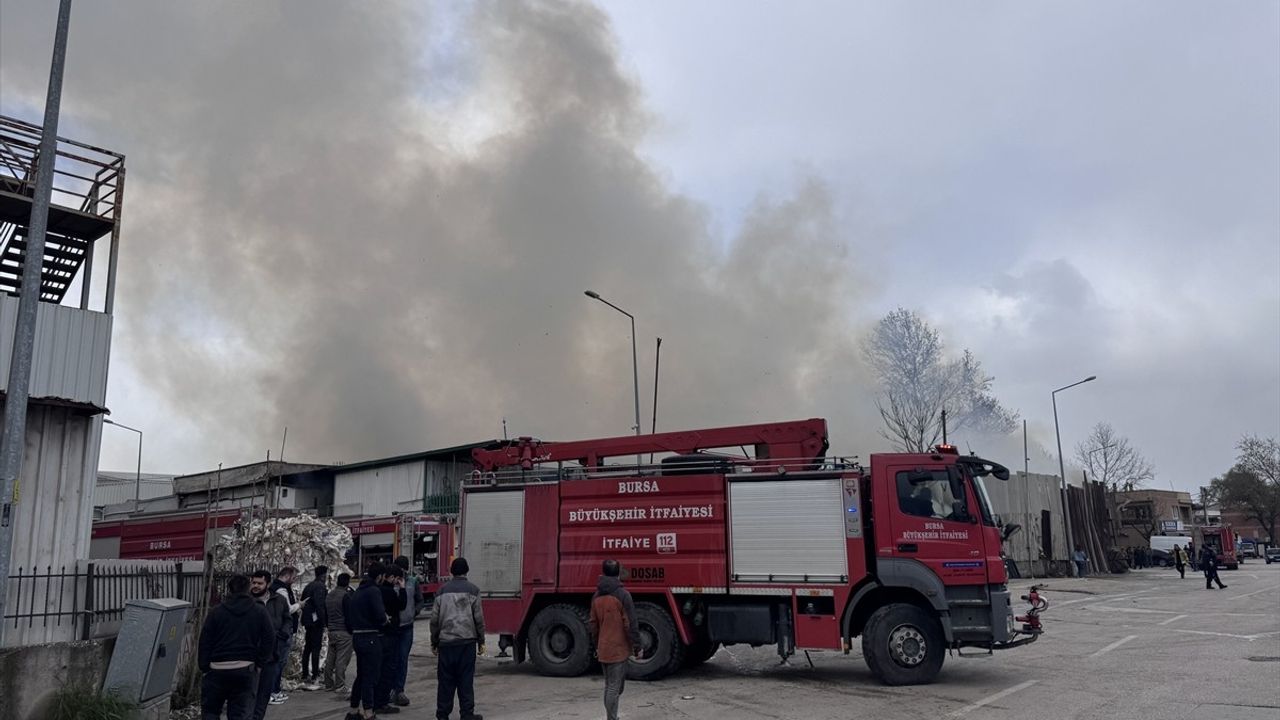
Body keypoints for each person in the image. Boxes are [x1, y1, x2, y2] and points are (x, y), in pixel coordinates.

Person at [199, 574, 273, 720]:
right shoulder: (259, 611)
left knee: (211, 712)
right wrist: (259, 663)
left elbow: (205, 640)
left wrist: (204, 667)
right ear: (248, 588)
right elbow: (269, 639)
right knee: (239, 713)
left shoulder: (216, 612)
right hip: (245, 669)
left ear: (230, 590)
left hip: (217, 669)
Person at [431, 557, 485, 720]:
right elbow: (479, 619)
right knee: (465, 680)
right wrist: (481, 640)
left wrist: (434, 641)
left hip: (446, 644)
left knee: (445, 681)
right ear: (466, 571)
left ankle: (442, 714)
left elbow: (434, 620)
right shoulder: (473, 590)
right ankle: (467, 714)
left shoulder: (441, 591)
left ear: (451, 571)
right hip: (467, 643)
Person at [589, 560, 641, 720]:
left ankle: (612, 716)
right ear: (618, 574)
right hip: (618, 649)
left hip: (604, 648)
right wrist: (637, 645)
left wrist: (596, 645)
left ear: (603, 573)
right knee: (614, 688)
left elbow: (593, 624)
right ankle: (612, 718)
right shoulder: (623, 595)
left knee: (610, 686)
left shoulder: (596, 596)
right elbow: (630, 623)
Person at [345, 563, 389, 720]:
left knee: (361, 675)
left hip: (357, 637)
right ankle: (369, 712)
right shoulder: (373, 591)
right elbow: (379, 615)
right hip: (370, 637)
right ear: (379, 577)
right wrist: (385, 619)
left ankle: (353, 710)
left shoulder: (357, 592)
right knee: (371, 676)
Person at [250, 569, 292, 720]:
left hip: (273, 653)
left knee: (264, 694)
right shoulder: (248, 601)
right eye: (254, 582)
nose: (256, 586)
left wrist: (283, 634)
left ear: (267, 584)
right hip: (252, 655)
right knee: (250, 693)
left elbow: (287, 618)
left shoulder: (279, 600)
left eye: (259, 583)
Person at [268, 566, 304, 704]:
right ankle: (273, 691)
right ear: (287, 576)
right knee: (278, 662)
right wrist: (299, 605)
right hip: (282, 631)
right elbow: (288, 609)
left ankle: (275, 690)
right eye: (294, 577)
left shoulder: (280, 588)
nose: (294, 581)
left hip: (283, 630)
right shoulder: (281, 590)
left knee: (280, 662)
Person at [375, 564, 408, 715]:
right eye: (397, 578)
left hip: (378, 635)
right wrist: (402, 589)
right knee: (389, 668)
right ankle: (382, 702)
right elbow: (401, 605)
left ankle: (376, 699)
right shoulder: (388, 592)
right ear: (392, 577)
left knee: (379, 668)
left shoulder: (377, 590)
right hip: (390, 634)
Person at [391, 556, 419, 706]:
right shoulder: (390, 581)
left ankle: (399, 690)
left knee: (402, 659)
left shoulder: (413, 582)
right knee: (392, 659)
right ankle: (390, 690)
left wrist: (415, 612)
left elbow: (419, 600)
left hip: (407, 627)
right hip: (393, 627)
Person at [323, 573, 355, 694]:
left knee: (330, 658)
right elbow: (349, 615)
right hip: (343, 632)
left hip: (332, 631)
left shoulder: (329, 595)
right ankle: (340, 685)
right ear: (347, 583)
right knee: (341, 660)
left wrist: (328, 627)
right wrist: (351, 631)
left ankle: (328, 683)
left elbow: (325, 614)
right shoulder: (345, 596)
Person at [300, 566, 329, 689]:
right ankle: (315, 675)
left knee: (308, 647)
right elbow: (320, 605)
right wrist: (324, 622)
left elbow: (303, 601)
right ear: (323, 575)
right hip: (316, 622)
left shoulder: (308, 586)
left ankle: (305, 673)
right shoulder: (320, 587)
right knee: (316, 648)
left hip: (307, 621)